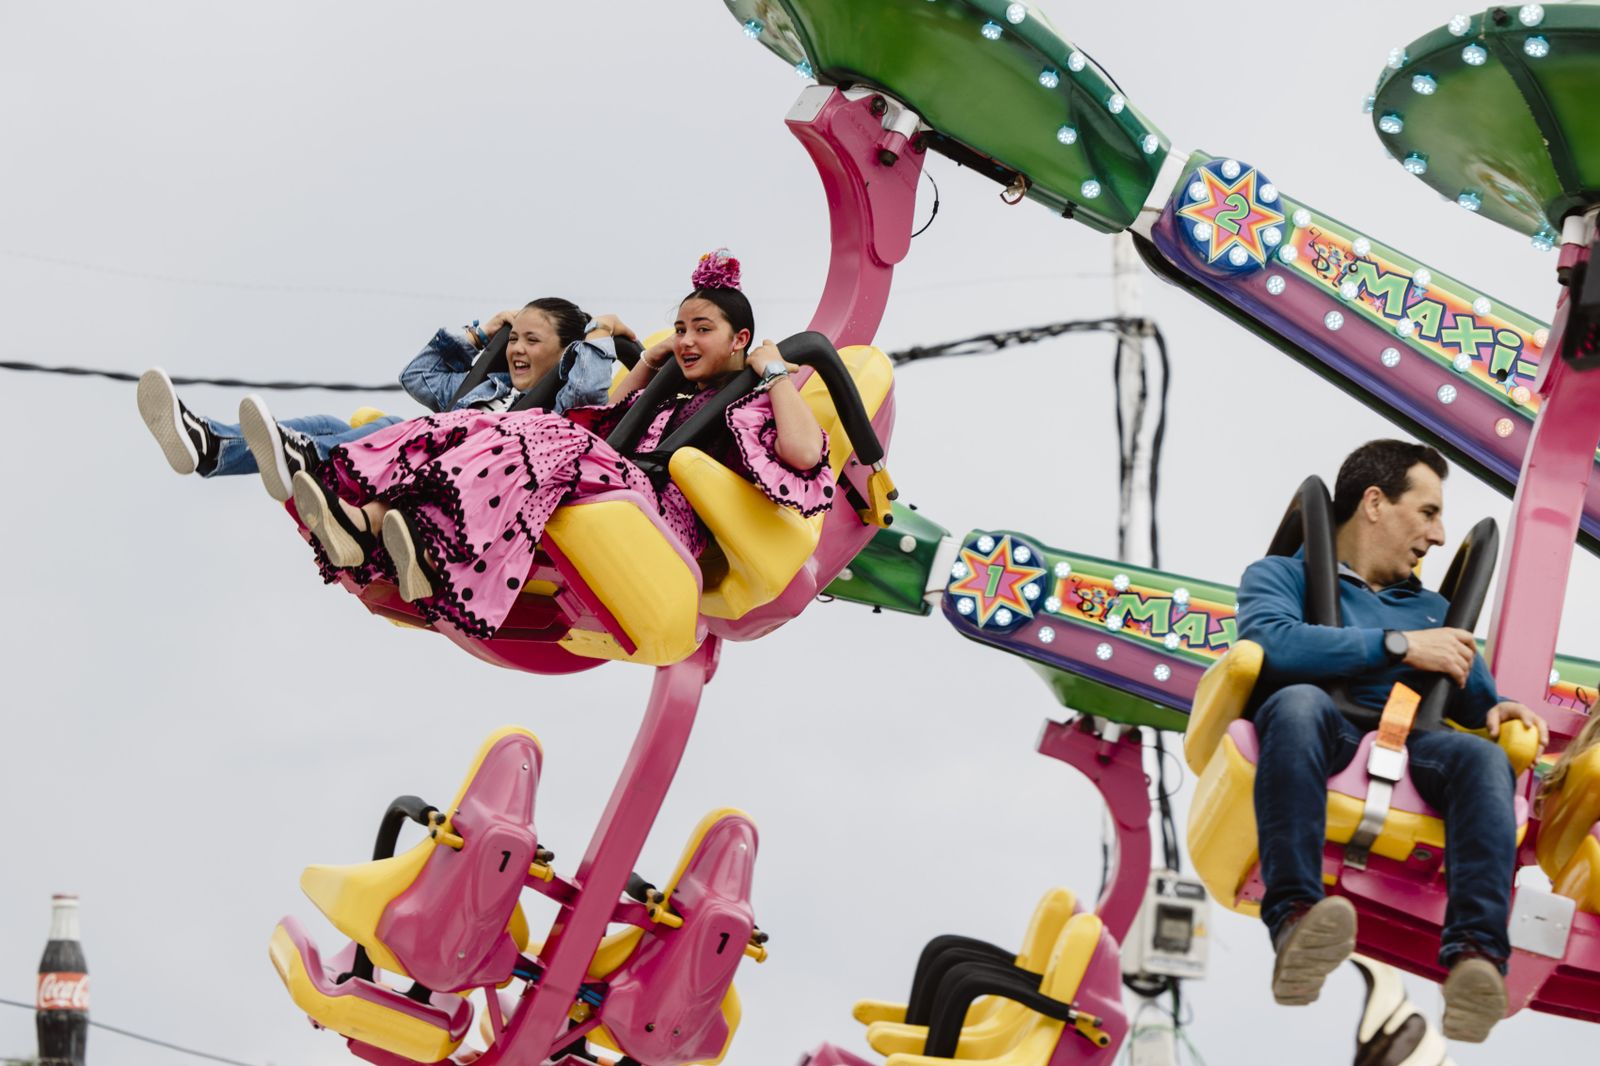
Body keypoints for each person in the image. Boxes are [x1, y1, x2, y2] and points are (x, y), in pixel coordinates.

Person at [290, 250, 833, 639]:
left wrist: (775, 374)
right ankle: (380, 522)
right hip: (615, 474)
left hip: (662, 509)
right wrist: (646, 356)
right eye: (680, 328)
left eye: (702, 329)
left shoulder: (753, 398)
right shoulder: (668, 391)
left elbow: (805, 455)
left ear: (740, 339)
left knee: (541, 429)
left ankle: (412, 528)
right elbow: (613, 414)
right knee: (484, 423)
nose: (687, 340)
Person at [1236, 439, 1549, 1043]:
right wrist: (1399, 647)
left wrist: (1499, 707)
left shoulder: (1434, 610)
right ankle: (1296, 918)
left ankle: (1477, 957)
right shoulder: (1279, 575)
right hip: (1320, 729)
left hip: (1413, 743)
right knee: (1298, 702)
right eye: (1428, 512)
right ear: (1375, 503)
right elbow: (1271, 642)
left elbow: (1477, 693)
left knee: (1483, 759)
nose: (1436, 535)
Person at [135, 297, 621, 501]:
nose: (515, 349)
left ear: (565, 352)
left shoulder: (556, 406)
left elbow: (589, 384)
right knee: (331, 419)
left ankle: (302, 455)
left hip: (468, 478)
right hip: (424, 455)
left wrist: (602, 332)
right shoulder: (488, 391)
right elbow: (418, 375)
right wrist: (477, 334)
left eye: (531, 341)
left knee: (388, 426)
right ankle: (214, 448)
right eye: (513, 338)